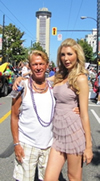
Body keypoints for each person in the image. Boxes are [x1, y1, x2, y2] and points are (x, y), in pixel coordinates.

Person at [11, 50, 79, 181]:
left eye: (41, 64)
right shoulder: (21, 86)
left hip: (49, 145)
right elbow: (14, 117)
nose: (38, 67)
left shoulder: (54, 86)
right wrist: (16, 144)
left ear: (47, 65)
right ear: (30, 66)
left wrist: (79, 108)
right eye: (34, 64)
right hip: (26, 144)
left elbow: (70, 97)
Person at [44, 38, 93, 181]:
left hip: (73, 132)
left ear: (77, 55)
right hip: (58, 134)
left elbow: (84, 114)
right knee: (49, 178)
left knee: (73, 177)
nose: (66, 58)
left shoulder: (80, 78)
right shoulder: (60, 76)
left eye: (70, 54)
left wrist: (88, 146)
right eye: (63, 54)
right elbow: (41, 79)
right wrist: (23, 77)